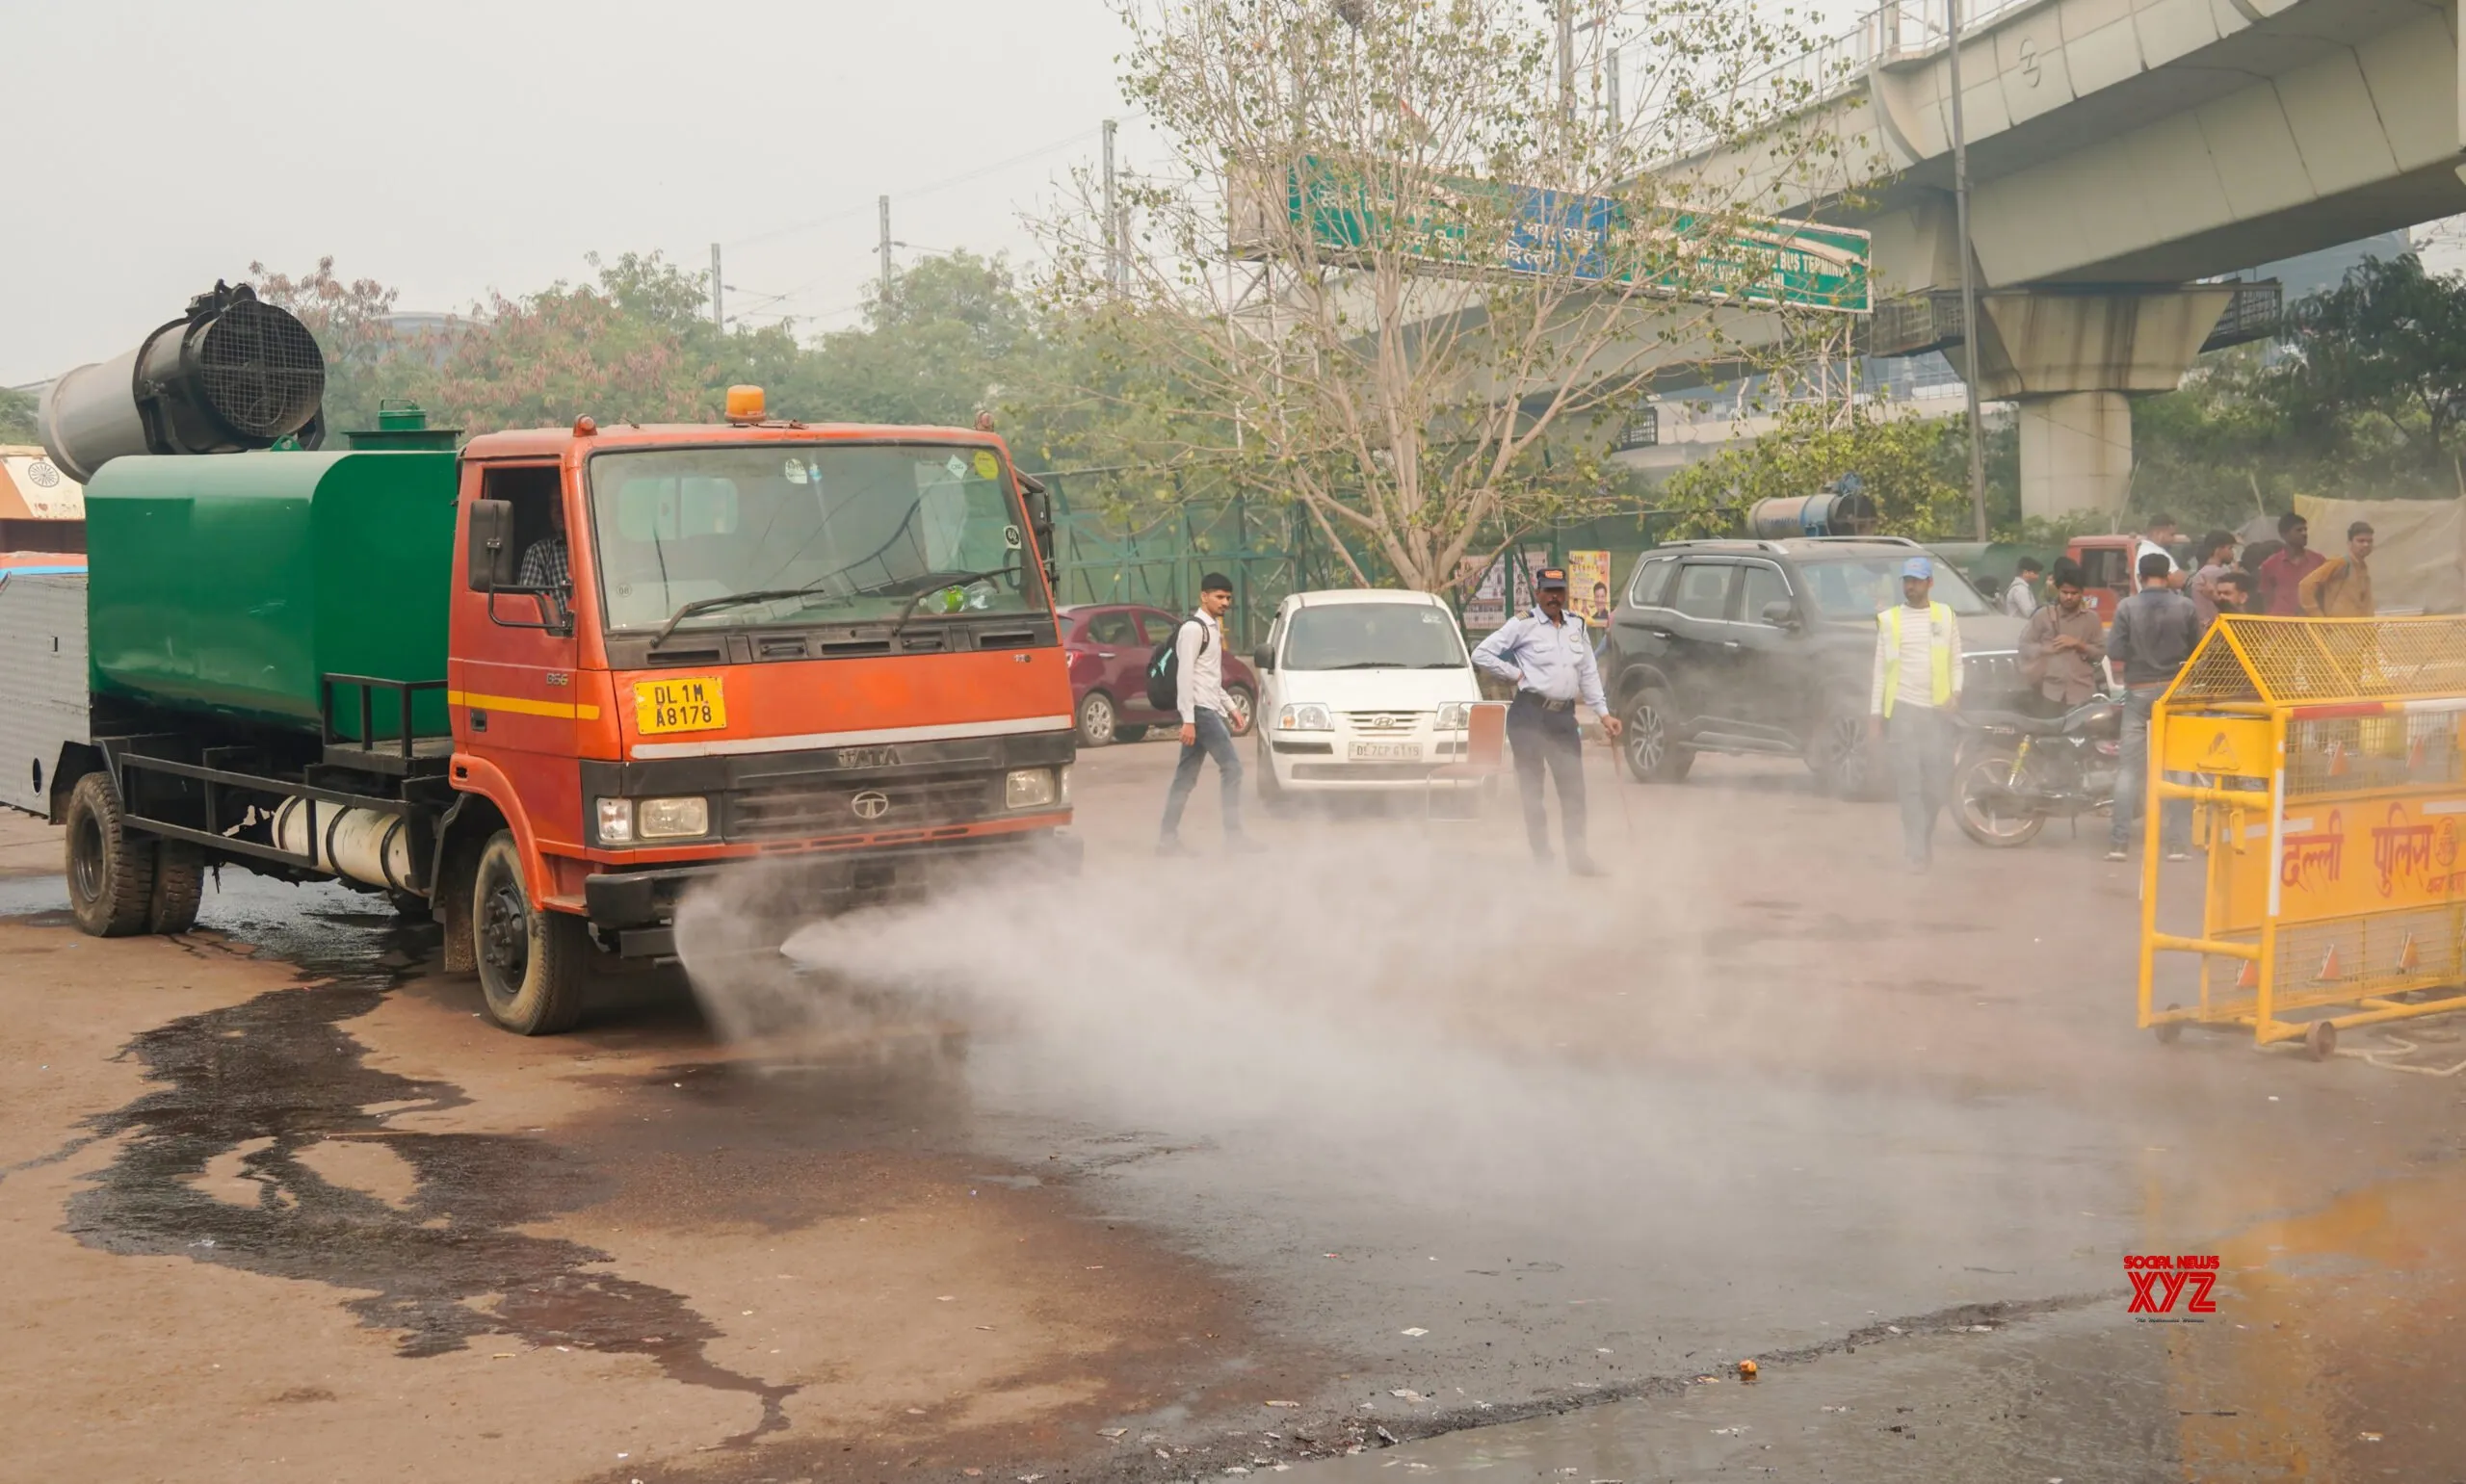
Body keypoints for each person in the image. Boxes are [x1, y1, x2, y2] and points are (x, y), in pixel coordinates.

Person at [1472, 566, 1623, 875]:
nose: (1554, 597)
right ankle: (1542, 858)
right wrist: (1515, 674)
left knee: (1574, 789)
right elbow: (1481, 654)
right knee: (1533, 791)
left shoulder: (1576, 625)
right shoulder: (1523, 624)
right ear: (1538, 592)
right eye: (1549, 591)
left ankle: (1578, 858)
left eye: (1559, 591)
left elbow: (1588, 672)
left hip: (1562, 718)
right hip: (1529, 715)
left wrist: (1604, 714)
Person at [1867, 556, 1963, 871]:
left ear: (1929, 583)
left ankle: (1923, 837)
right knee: (1909, 785)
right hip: (1903, 711)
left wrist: (1957, 693)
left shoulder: (1946, 616)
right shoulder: (1889, 620)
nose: (1911, 586)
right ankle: (1915, 851)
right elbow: (1880, 671)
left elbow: (1956, 662)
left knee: (1936, 787)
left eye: (1917, 581)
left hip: (1937, 714)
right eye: (1907, 581)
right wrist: (1875, 716)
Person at [2107, 551, 2202, 863]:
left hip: (2139, 691)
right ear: (2168, 576)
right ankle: (2177, 845)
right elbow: (2198, 650)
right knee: (2179, 769)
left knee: (2129, 770)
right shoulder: (2186, 607)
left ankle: (2119, 844)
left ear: (2139, 576)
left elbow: (2115, 650)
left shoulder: (2126, 607)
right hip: (2176, 692)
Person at [1158, 573, 1261, 857]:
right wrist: (1188, 720)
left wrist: (1231, 707)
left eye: (1228, 598)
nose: (1225, 602)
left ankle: (1166, 841)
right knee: (1233, 769)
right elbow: (1184, 676)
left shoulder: (1212, 629)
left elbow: (1209, 679)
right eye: (1219, 597)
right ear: (1204, 597)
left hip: (1208, 708)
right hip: (1200, 713)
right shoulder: (1194, 630)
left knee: (1185, 778)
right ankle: (1234, 838)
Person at [2018, 560, 2105, 713]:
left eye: (2074, 593)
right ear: (2058, 591)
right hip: (2050, 693)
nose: (2069, 597)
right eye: (2065, 592)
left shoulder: (2092, 619)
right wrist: (2044, 649)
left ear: (2081, 593)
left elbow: (2100, 652)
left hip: (2082, 693)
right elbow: (2024, 646)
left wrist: (2078, 645)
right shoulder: (2043, 615)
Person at [2297, 521, 2376, 616]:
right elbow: (2305, 585)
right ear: (2349, 543)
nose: (2366, 545)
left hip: (2357, 625)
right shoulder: (2339, 562)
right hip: (2336, 624)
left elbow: (2365, 603)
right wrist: (2317, 617)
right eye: (2361, 541)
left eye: (2369, 541)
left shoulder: (2363, 567)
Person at [2255, 512, 2326, 616]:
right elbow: (2267, 599)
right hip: (2281, 621)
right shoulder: (2270, 565)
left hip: (2312, 620)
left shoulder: (2318, 560)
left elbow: (2326, 593)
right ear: (2284, 535)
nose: (2304, 533)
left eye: (2305, 529)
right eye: (2299, 530)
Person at [516, 499, 571, 592]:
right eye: (553, 504)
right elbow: (533, 598)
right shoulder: (538, 553)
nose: (558, 510)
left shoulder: (597, 549)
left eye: (562, 502)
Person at [2189, 530, 2239, 625]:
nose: (2232, 553)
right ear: (2218, 550)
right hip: (2217, 627)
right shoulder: (2217, 573)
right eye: (2230, 548)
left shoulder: (2203, 572)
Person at [2137, 513, 2182, 582]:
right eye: (2171, 534)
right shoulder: (2154, 554)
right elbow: (2179, 581)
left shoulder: (2146, 549)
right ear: (2157, 533)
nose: (2174, 539)